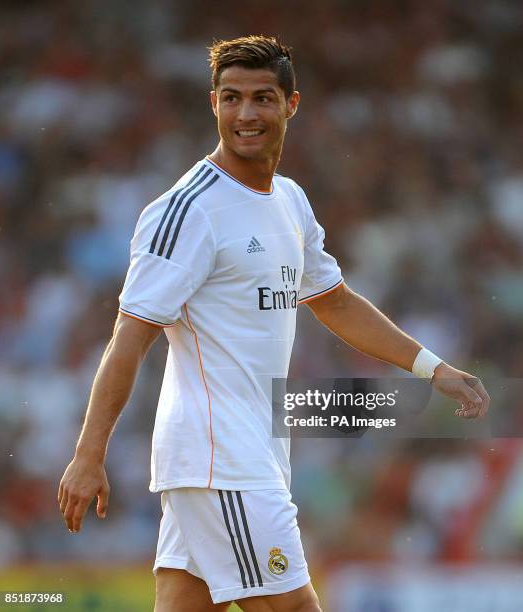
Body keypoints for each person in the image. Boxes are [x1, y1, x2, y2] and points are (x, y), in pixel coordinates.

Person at [58, 35, 490, 612]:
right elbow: (129, 338)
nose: (246, 114)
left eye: (262, 98)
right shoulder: (187, 211)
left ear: (291, 105)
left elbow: (335, 301)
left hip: (244, 455)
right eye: (231, 98)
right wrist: (89, 455)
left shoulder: (288, 200)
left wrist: (431, 368)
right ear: (213, 103)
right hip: (222, 460)